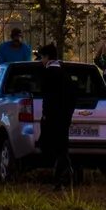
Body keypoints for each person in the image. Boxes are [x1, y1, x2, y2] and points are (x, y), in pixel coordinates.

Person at [36, 44, 78, 188]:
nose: (41, 60)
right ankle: (64, 175)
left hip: (51, 117)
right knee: (62, 146)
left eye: (42, 57)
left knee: (50, 146)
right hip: (64, 117)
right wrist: (68, 114)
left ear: (47, 57)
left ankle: (63, 174)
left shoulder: (47, 74)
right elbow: (72, 97)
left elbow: (47, 97)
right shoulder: (65, 75)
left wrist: (46, 115)